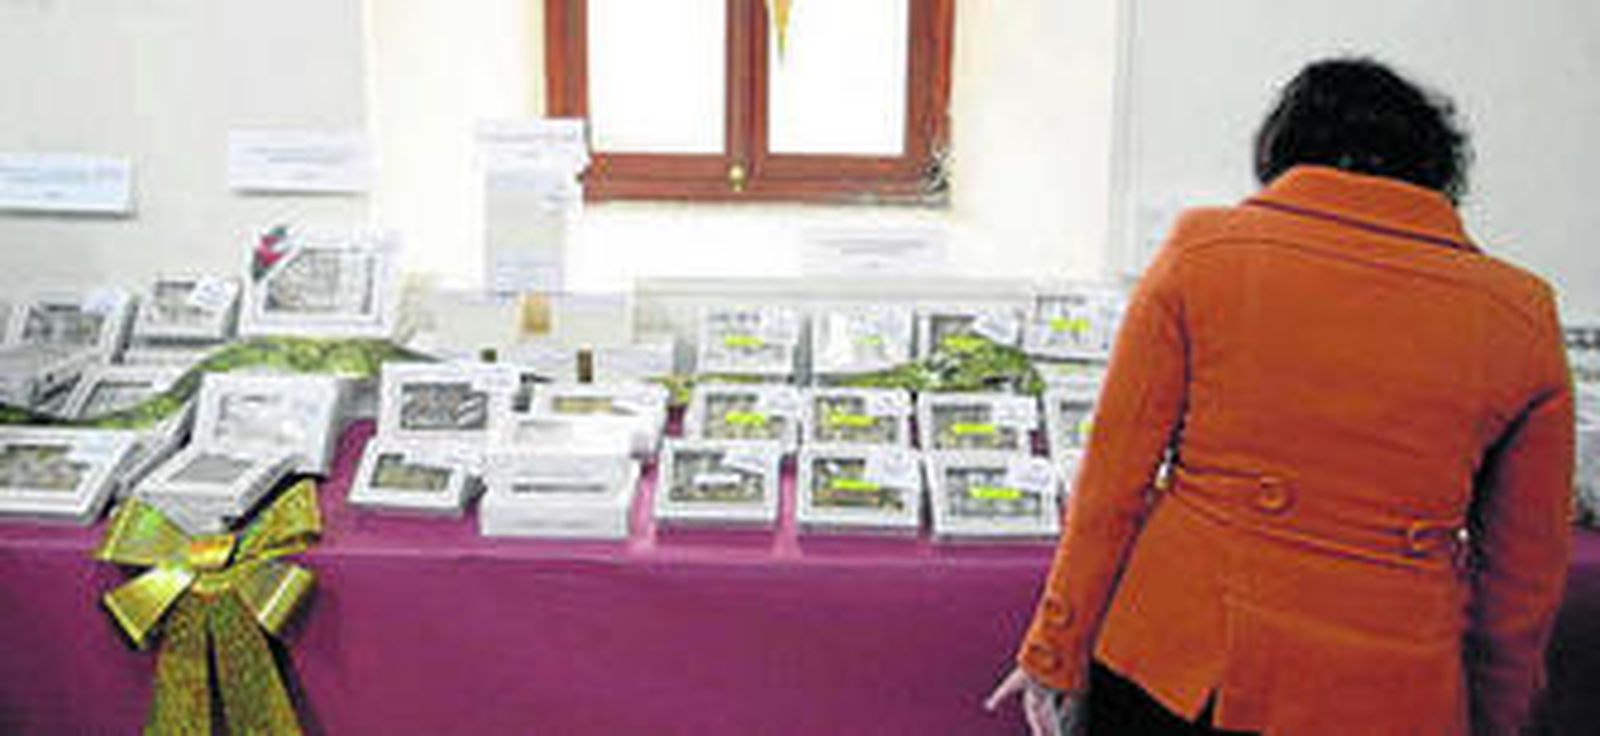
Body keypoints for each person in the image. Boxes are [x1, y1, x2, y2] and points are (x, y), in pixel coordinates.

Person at [985, 57, 1574, 735]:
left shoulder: (1205, 252)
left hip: (1184, 669)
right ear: (1440, 175)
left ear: (1282, 154)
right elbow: (1524, 582)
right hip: (1393, 689)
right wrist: (1498, 717)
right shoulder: (1520, 313)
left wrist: (1056, 651)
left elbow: (1111, 485)